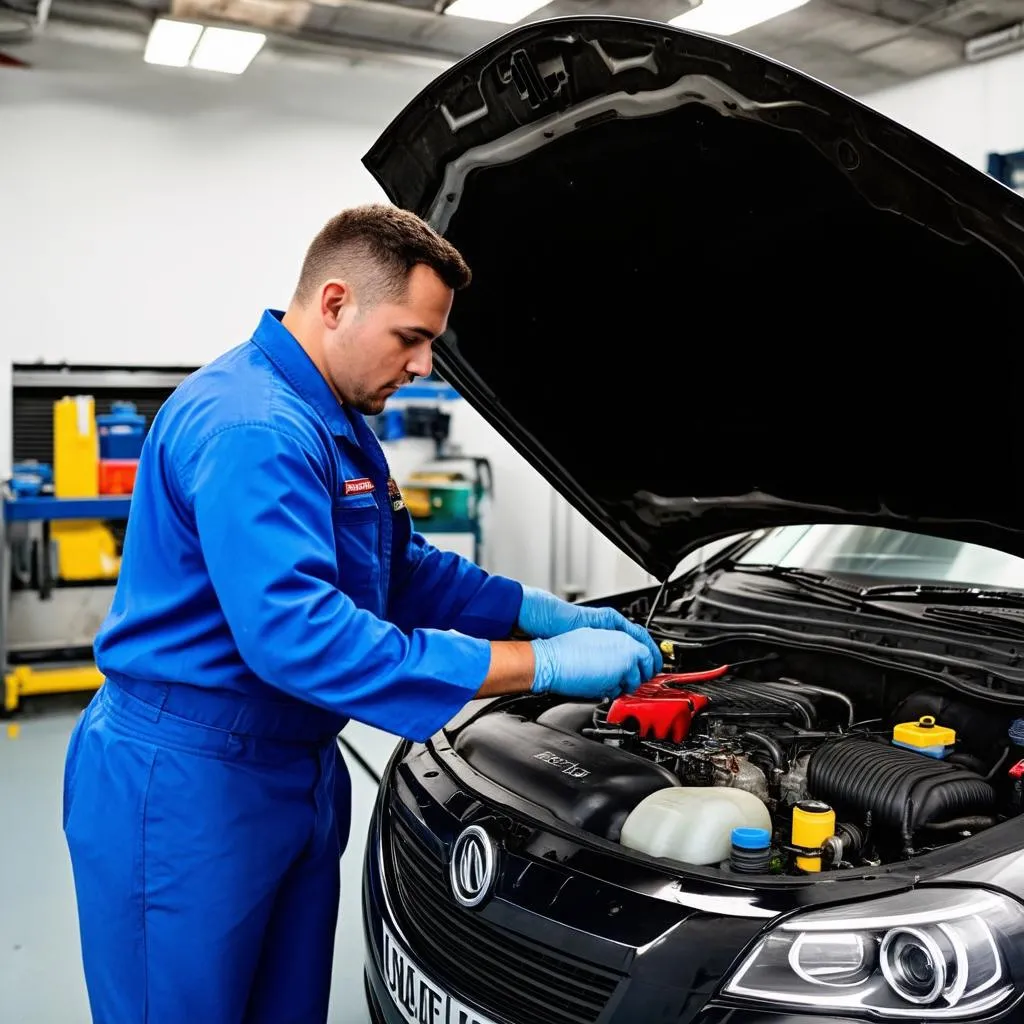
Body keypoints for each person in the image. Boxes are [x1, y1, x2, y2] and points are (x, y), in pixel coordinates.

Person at [62, 203, 662, 1024]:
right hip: (187, 782)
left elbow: (398, 567)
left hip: (292, 767)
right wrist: (541, 668)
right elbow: (299, 635)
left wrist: (539, 613)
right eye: (409, 338)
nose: (421, 366)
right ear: (336, 302)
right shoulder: (254, 426)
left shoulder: (333, 422)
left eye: (431, 346)